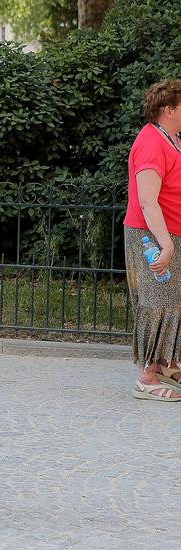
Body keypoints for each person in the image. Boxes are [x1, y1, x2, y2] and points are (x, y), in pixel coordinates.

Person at [124, 79, 181, 402]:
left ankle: (165, 364)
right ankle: (146, 377)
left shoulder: (172, 139)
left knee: (172, 301)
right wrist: (167, 244)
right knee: (155, 301)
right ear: (168, 109)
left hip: (169, 231)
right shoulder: (150, 143)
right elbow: (147, 200)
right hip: (152, 236)